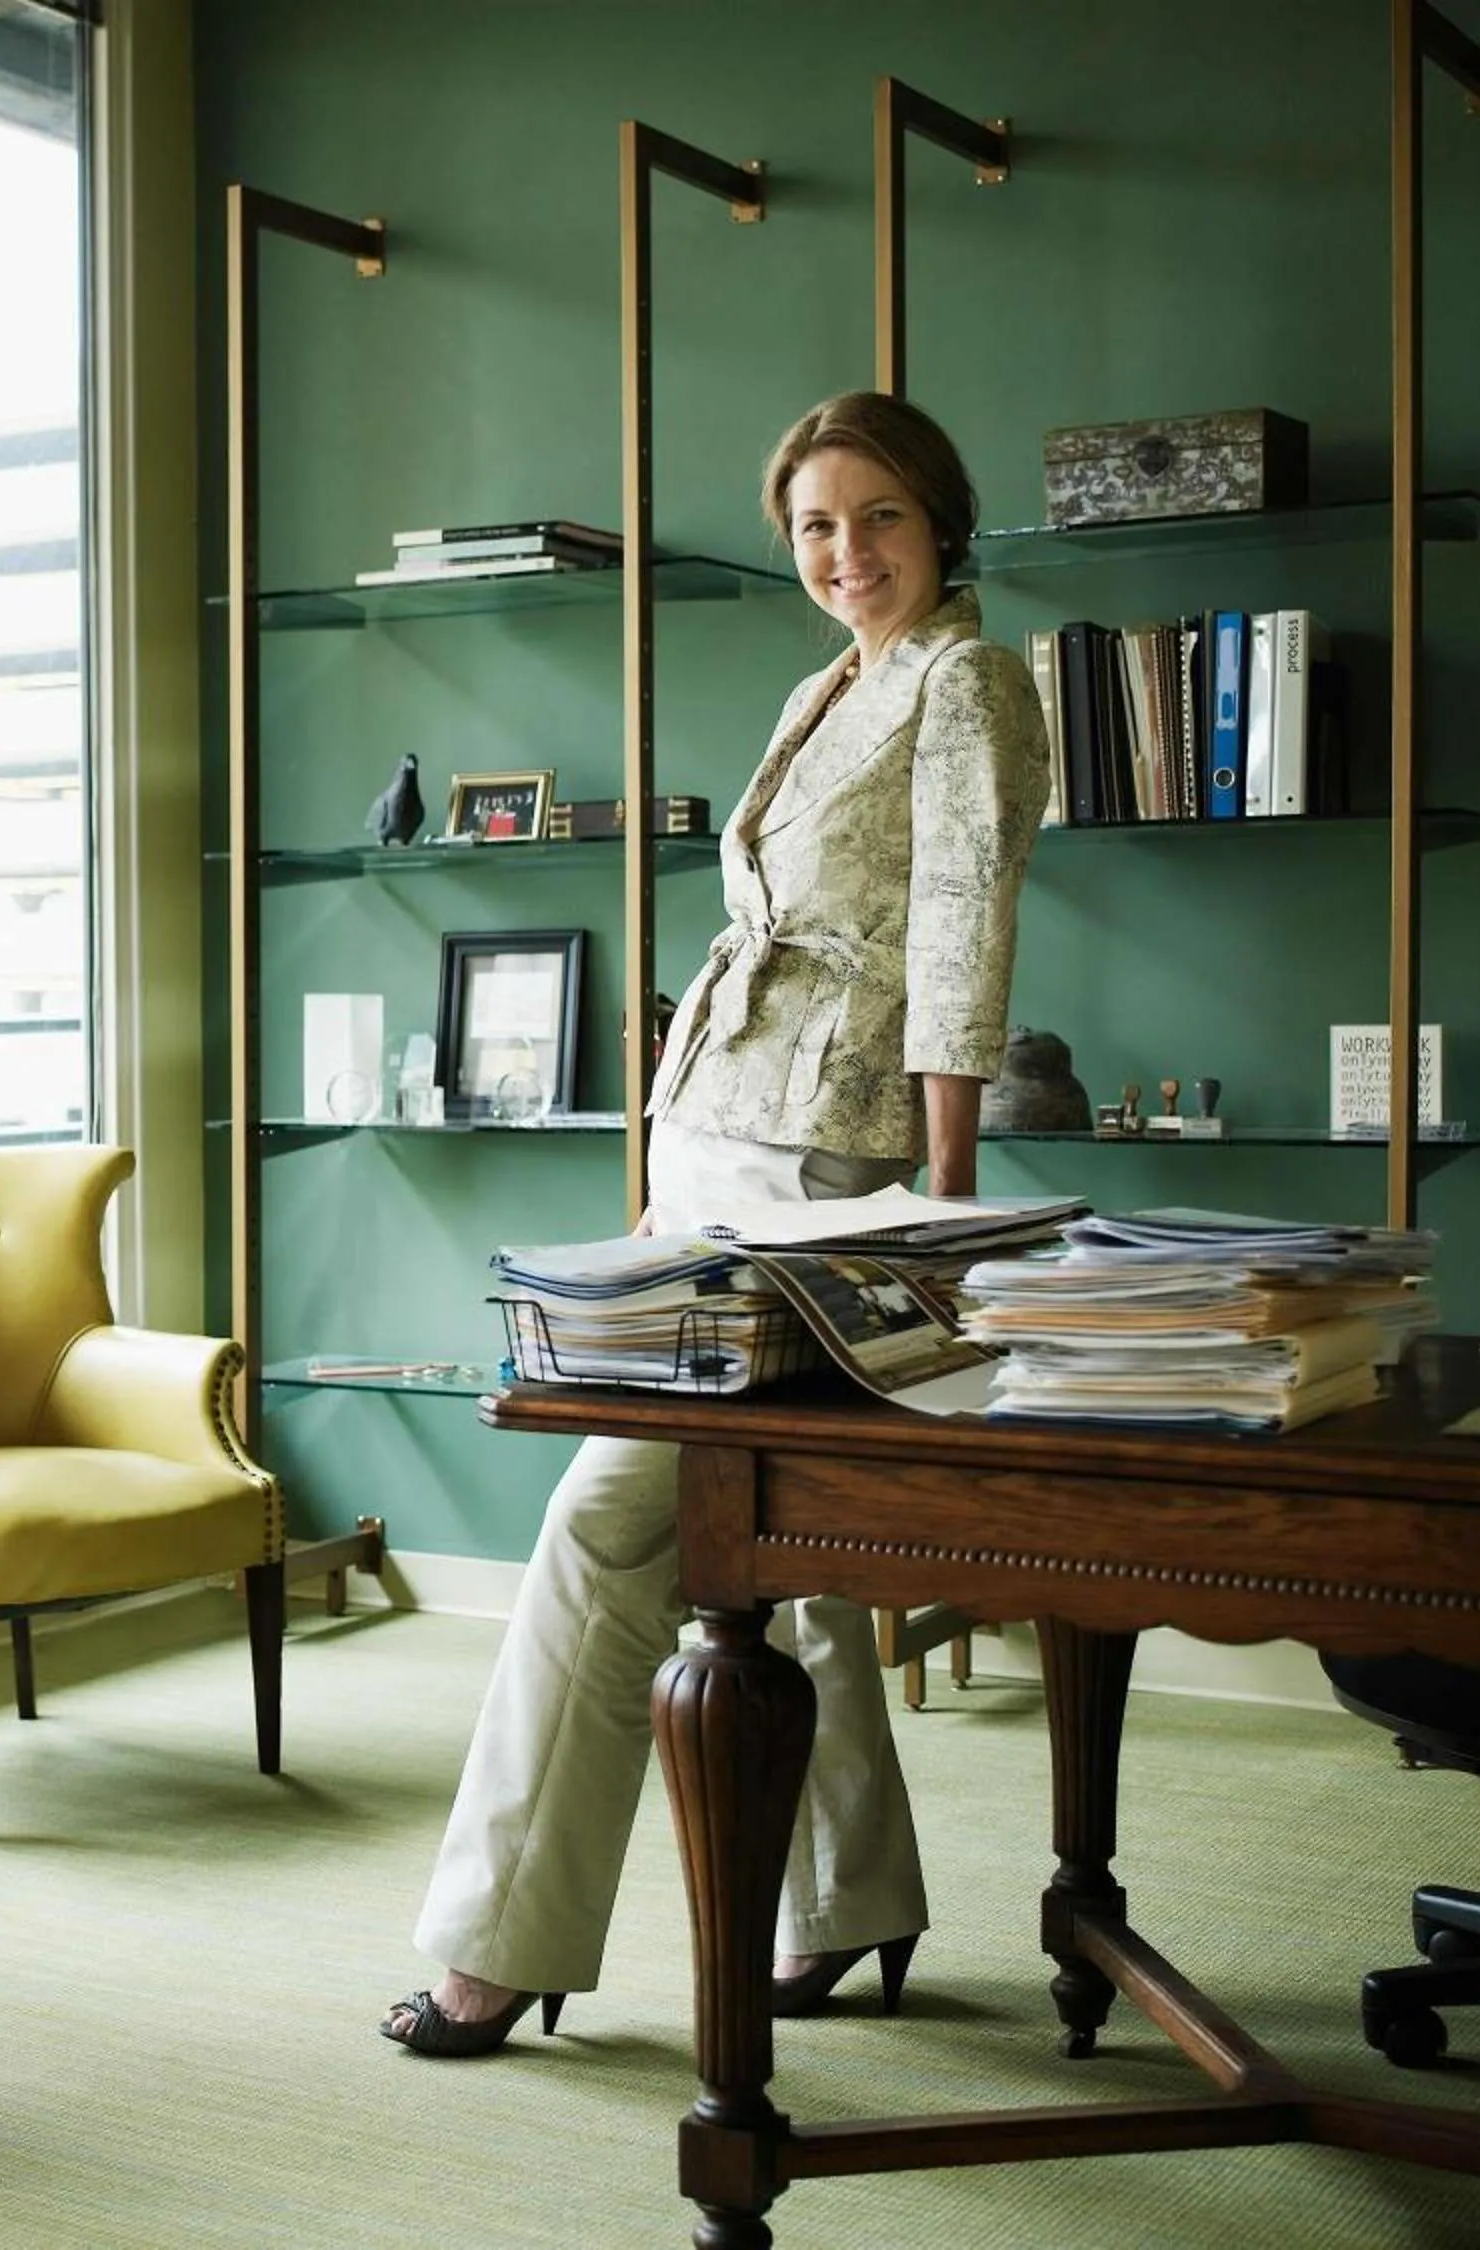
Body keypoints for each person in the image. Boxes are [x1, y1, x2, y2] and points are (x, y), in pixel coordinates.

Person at [382, 393, 1048, 2055]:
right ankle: (851, 1894)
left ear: (941, 521)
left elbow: (963, 929)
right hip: (717, 1144)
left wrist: (938, 1198)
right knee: (776, 1541)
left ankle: (500, 1935)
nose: (847, 555)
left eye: (879, 518)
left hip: (828, 1168)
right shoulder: (833, 680)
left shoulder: (967, 679)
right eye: (818, 526)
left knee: (609, 1529)